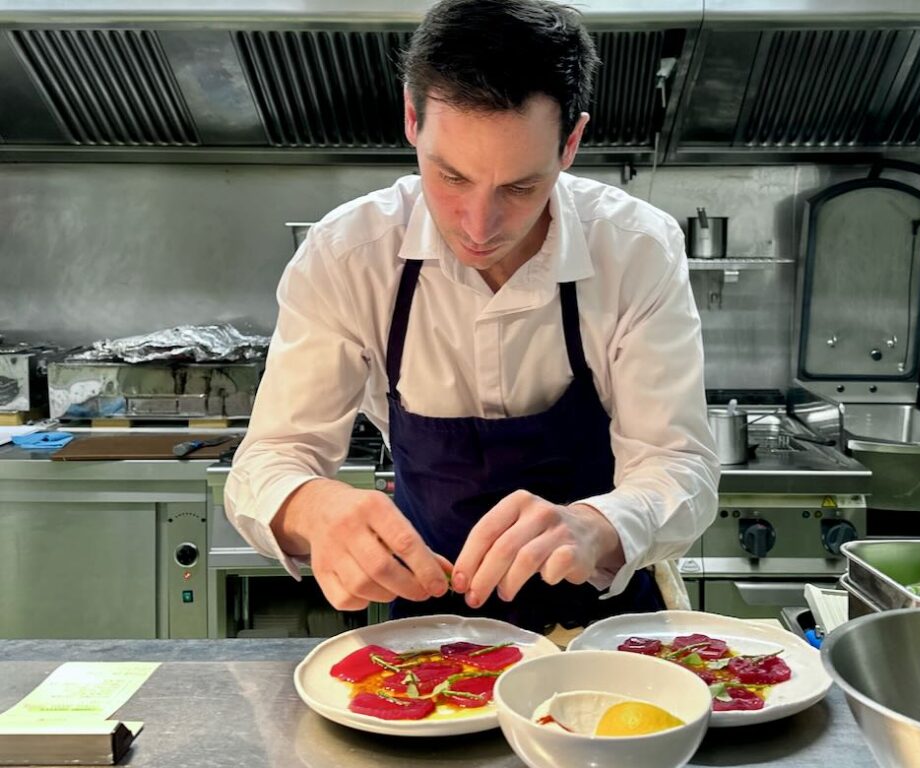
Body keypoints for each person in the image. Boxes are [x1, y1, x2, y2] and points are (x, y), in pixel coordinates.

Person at [224, 0, 718, 633]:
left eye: (519, 188)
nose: (479, 226)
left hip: (607, 626)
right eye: (450, 176)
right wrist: (315, 509)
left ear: (571, 143)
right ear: (411, 118)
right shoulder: (348, 255)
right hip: (431, 632)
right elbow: (270, 458)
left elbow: (681, 466)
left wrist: (597, 526)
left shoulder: (635, 249)